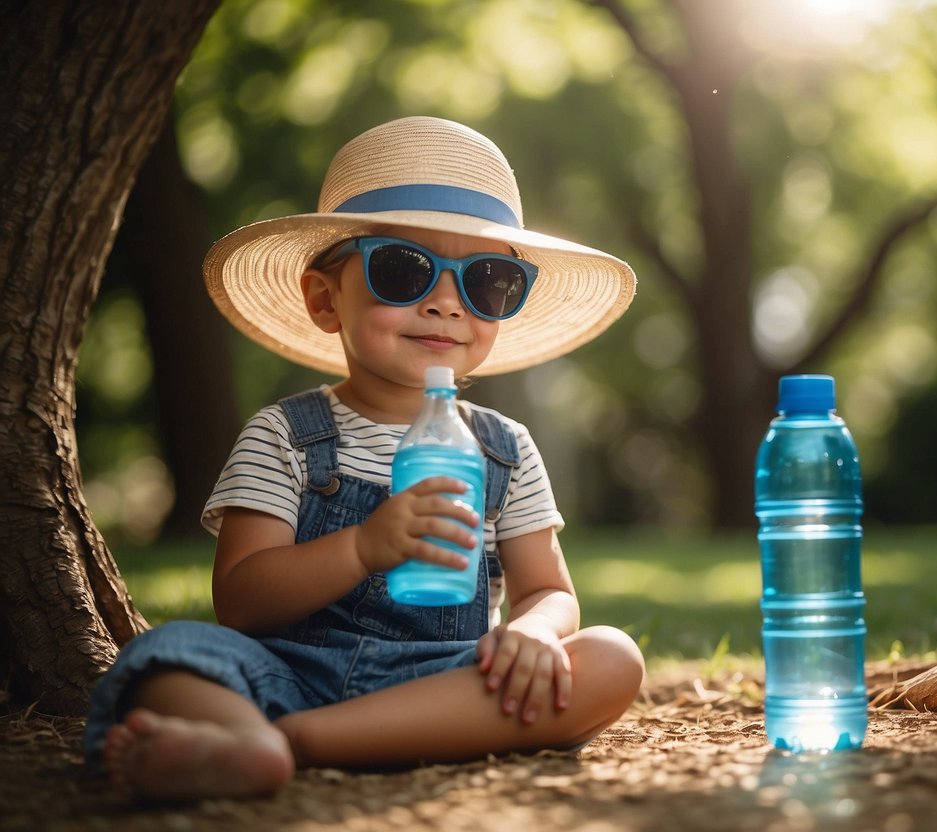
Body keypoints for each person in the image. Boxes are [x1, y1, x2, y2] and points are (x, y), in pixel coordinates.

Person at [84, 116, 645, 801]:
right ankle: (257, 733)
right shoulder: (286, 434)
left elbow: (549, 590)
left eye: (488, 281)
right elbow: (240, 601)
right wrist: (362, 547)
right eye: (402, 270)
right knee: (165, 654)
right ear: (325, 300)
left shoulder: (505, 447)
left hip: (449, 679)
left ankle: (285, 743)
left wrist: (530, 630)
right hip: (287, 670)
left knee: (610, 657)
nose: (445, 304)